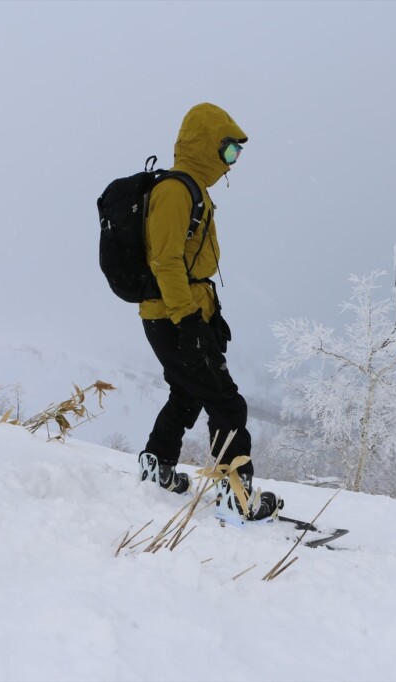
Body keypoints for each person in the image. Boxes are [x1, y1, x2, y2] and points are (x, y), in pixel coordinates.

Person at [136, 102, 282, 522]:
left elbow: (189, 266)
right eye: (229, 152)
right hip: (171, 315)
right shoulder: (175, 191)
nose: (232, 163)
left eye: (237, 154)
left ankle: (156, 467)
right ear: (206, 145)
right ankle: (236, 495)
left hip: (180, 312)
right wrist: (187, 322)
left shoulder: (193, 190)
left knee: (186, 394)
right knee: (227, 404)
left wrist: (207, 317)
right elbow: (165, 262)